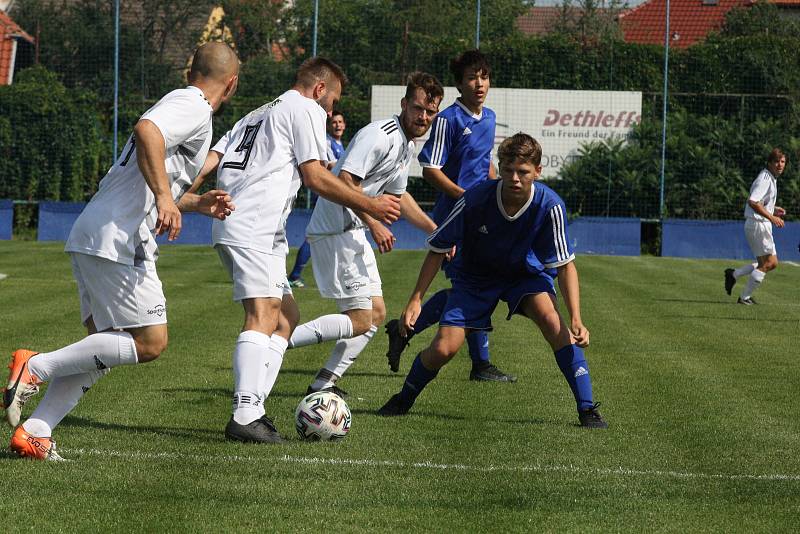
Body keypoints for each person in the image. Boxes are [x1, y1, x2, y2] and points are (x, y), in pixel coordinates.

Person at [2, 42, 241, 460]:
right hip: (119, 238)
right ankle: (33, 366)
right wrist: (166, 199)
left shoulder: (182, 102)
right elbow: (146, 130)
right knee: (149, 342)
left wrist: (195, 202)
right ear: (232, 84)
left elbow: (148, 177)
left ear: (191, 69)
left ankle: (35, 432)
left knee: (100, 348)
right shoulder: (195, 105)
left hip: (96, 232)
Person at [203, 57, 401, 444]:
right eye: (333, 101)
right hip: (253, 224)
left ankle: (255, 408)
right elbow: (315, 177)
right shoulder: (306, 107)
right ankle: (246, 414)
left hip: (249, 226)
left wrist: (178, 196)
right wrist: (369, 205)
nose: (332, 112)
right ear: (320, 89)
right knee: (262, 315)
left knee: (286, 318)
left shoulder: (258, 112)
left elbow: (212, 157)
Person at [377, 133, 608, 429]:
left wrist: (577, 318)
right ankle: (403, 399)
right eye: (508, 170)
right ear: (499, 167)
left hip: (524, 275)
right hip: (475, 277)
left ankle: (587, 409)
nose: (514, 178)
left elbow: (565, 266)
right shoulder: (475, 199)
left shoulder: (550, 205)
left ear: (538, 171)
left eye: (523, 172)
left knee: (553, 322)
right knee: (444, 348)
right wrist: (415, 300)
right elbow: (437, 249)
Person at [287, 72, 443, 397]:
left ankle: (323, 384)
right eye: (418, 109)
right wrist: (373, 220)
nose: (423, 117)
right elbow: (345, 181)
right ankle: (272, 343)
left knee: (376, 315)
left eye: (430, 112)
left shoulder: (406, 146)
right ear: (404, 105)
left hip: (353, 230)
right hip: (335, 229)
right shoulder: (380, 135)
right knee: (360, 317)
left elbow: (400, 200)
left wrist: (435, 231)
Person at [384, 49, 515, 383]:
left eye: (484, 76)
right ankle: (478, 363)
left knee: (475, 284)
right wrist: (465, 197)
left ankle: (406, 334)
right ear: (460, 84)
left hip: (479, 216)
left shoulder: (488, 117)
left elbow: (483, 164)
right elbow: (430, 169)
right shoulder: (448, 119)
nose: (479, 83)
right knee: (472, 285)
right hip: (454, 217)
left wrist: (494, 188)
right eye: (472, 77)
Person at [288, 110, 347, 288]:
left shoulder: (340, 144)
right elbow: (329, 166)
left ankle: (334, 276)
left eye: (340, 122)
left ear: (344, 125)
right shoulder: (328, 143)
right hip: (326, 195)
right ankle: (295, 275)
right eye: (334, 122)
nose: (337, 125)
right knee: (316, 236)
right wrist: (349, 162)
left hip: (334, 195)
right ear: (329, 126)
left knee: (334, 234)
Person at [725, 148, 787, 305]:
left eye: (782, 162)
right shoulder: (765, 178)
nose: (780, 165)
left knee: (766, 263)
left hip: (758, 224)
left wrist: (773, 209)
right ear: (769, 163)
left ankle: (734, 274)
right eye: (776, 161)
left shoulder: (771, 178)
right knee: (770, 263)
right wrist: (771, 217)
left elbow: (760, 202)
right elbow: (753, 202)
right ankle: (744, 297)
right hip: (758, 224)